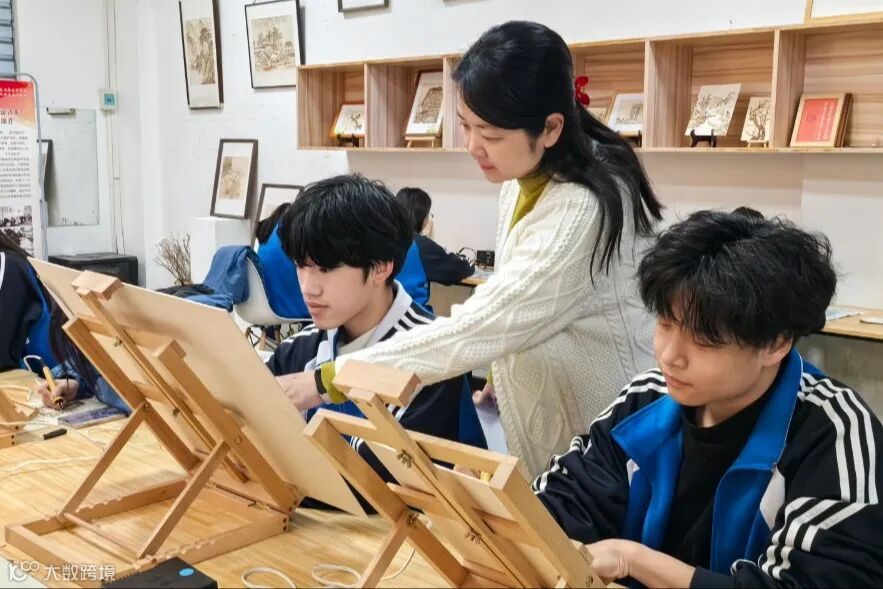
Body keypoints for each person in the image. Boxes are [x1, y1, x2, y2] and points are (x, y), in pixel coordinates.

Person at [277, 21, 664, 476]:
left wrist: (328, 379)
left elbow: (481, 326)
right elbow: (519, 303)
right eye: (465, 125)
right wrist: (505, 371)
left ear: (551, 128)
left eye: (491, 134)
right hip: (561, 433)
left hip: (609, 439)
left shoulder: (583, 207)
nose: (473, 146)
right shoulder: (521, 179)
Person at [533, 208, 883, 588]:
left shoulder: (836, 432)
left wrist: (633, 560)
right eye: (665, 323)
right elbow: (560, 504)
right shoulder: (646, 400)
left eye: (703, 340)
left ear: (774, 344)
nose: (670, 355)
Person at [269, 175, 486, 483]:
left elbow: (376, 481)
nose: (307, 287)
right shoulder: (298, 351)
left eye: (325, 269)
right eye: (300, 266)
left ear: (381, 267)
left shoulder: (430, 363)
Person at [0, 233, 129, 414]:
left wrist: (78, 381)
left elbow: (2, 355)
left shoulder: (8, 266)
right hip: (63, 377)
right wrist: (77, 384)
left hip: (52, 370)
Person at [395, 187, 475, 309]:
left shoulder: (380, 239)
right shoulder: (422, 246)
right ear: (422, 218)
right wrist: (466, 262)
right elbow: (458, 270)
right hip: (412, 313)